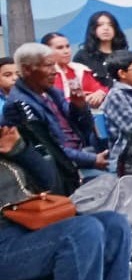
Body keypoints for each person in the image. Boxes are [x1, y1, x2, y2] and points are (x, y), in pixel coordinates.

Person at [0, 123, 132, 280]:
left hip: (32, 228)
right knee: (82, 232)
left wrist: (20, 150)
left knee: (114, 224)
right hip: (5, 244)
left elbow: (51, 184)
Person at [3, 42, 107, 185]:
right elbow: (50, 149)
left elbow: (84, 130)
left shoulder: (52, 92)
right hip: (59, 172)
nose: (54, 71)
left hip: (81, 155)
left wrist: (80, 107)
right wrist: (92, 160)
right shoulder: (19, 104)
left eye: (54, 66)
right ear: (27, 69)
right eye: (48, 66)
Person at [41, 33, 106, 107]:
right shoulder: (44, 74)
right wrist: (81, 100)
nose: (66, 51)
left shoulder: (79, 69)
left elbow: (100, 88)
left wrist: (100, 93)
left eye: (67, 46)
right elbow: (54, 101)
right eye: (60, 48)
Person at [74, 11, 129, 88]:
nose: (106, 28)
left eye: (110, 25)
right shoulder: (82, 56)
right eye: (100, 25)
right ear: (93, 29)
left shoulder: (125, 56)